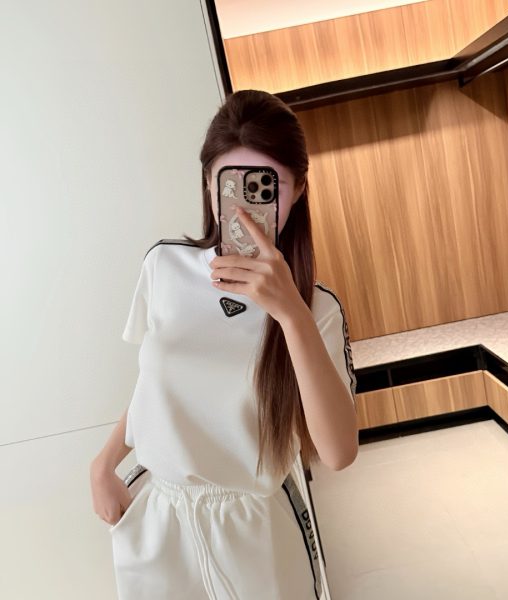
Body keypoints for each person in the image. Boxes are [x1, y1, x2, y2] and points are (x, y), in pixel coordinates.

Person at [89, 89, 358, 600]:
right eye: (230, 185)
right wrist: (103, 464)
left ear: (299, 188)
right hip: (160, 518)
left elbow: (339, 452)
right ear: (208, 185)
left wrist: (290, 314)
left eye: (267, 187)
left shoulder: (316, 308)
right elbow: (156, 385)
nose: (247, 209)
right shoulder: (164, 266)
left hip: (255, 529)